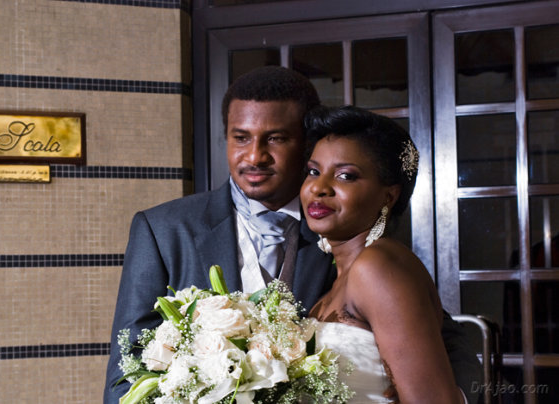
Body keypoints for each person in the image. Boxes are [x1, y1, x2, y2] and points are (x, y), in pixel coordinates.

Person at [103, 66, 481, 403]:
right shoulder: (163, 230)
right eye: (240, 138)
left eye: (276, 139)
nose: (255, 156)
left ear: (305, 143)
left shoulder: (349, 233)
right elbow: (127, 373)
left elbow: (443, 339)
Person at [301, 105, 465, 403]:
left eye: (345, 176)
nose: (319, 188)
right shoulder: (339, 279)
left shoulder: (376, 267)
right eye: (314, 171)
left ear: (389, 195)